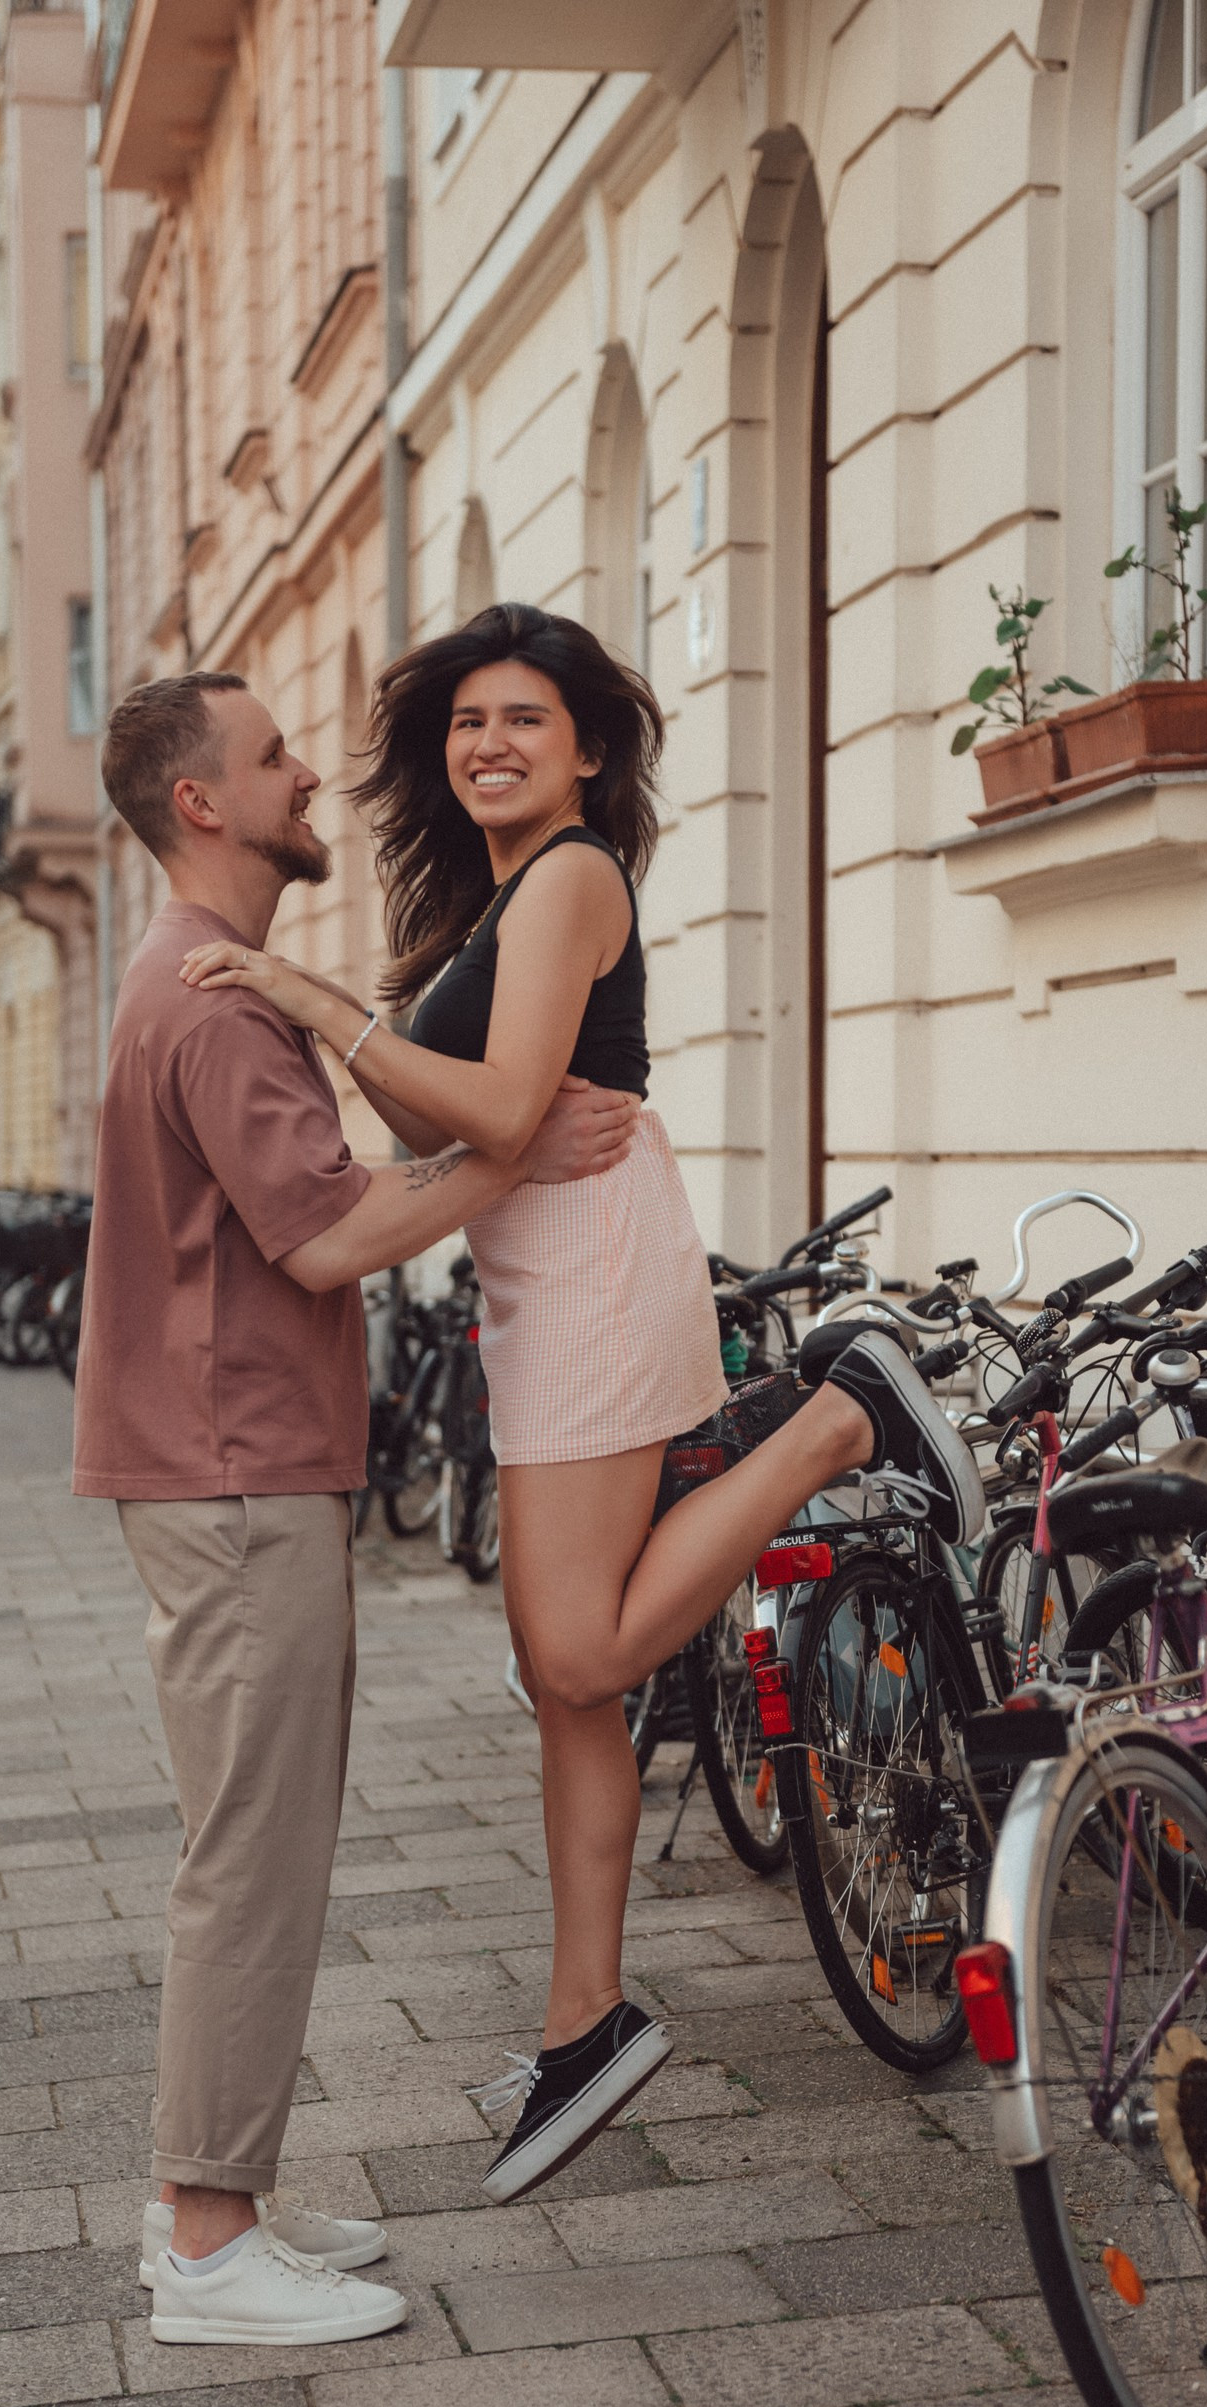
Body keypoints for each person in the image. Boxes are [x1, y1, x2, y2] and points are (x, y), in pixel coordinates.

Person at [178, 604, 976, 2202]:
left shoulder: (571, 879)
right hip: (543, 1272)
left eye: (524, 720)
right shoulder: (496, 898)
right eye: (469, 720)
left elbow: (497, 1106)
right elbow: (456, 1109)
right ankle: (585, 2020)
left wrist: (314, 1003)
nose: (488, 743)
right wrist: (379, 1043)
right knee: (567, 1691)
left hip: (596, 1265)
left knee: (581, 1647)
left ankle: (837, 1419)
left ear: (588, 748)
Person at [74, 668, 639, 2345]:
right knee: (250, 1860)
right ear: (201, 805)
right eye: (271, 761)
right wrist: (516, 1150)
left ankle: (218, 2189)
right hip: (237, 1470)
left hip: (225, 1462)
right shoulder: (212, 999)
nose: (307, 772)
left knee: (246, 1844)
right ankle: (205, 2242)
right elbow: (325, 1235)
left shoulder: (197, 981)